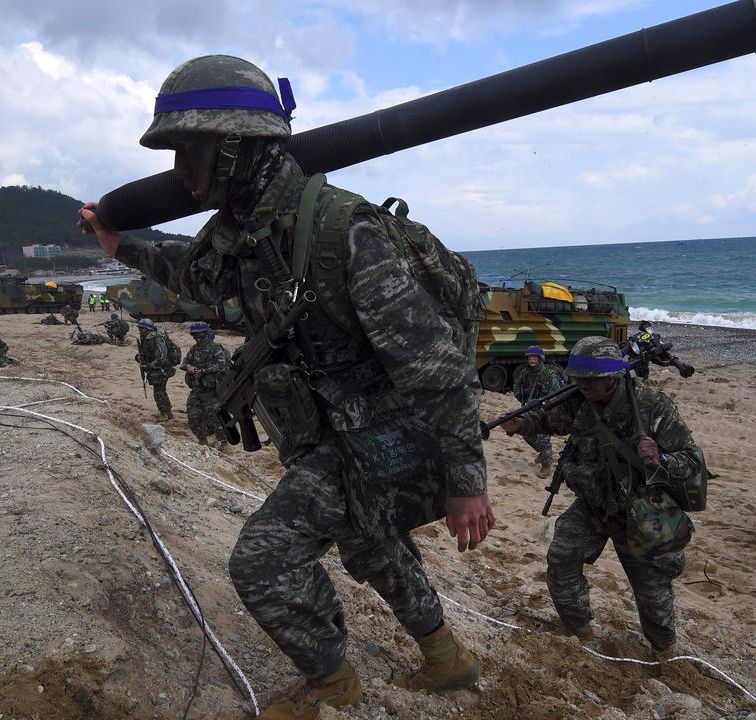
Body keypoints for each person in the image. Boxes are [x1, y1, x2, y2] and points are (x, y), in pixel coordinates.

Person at [78, 54, 493, 720]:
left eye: (190, 150)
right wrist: (117, 245)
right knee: (371, 540)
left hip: (397, 441)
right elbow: (194, 275)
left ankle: (333, 685)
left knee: (263, 562)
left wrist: (467, 482)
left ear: (236, 147)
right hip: (335, 437)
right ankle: (448, 661)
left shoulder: (342, 230)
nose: (179, 170)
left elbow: (435, 368)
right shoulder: (240, 234)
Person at [500, 336, 706, 658]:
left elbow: (692, 461)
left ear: (611, 379)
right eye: (577, 379)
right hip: (594, 505)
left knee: (652, 596)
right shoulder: (580, 399)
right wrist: (522, 422)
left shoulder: (652, 406)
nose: (581, 386)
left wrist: (660, 459)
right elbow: (551, 419)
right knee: (561, 557)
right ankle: (580, 630)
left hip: (640, 512)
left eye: (589, 381)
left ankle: (664, 650)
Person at [511, 345, 564, 478]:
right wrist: (518, 395)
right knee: (526, 434)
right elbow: (517, 384)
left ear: (540, 359)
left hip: (547, 412)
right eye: (529, 357)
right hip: (530, 410)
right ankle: (543, 452)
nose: (531, 360)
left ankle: (546, 466)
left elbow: (556, 396)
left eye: (534, 357)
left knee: (542, 439)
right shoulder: (525, 373)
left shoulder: (549, 376)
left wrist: (543, 406)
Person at [182, 322, 230, 447]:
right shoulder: (193, 349)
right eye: (195, 334)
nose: (197, 336)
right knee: (193, 415)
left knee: (215, 418)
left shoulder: (215, 348)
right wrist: (189, 367)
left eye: (200, 334)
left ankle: (224, 443)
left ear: (205, 334)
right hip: (197, 388)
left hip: (210, 390)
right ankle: (202, 440)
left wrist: (203, 371)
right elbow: (184, 363)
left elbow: (221, 365)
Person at [135, 318, 177, 420]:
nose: (140, 330)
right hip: (156, 369)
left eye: (142, 328)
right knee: (160, 391)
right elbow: (147, 353)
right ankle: (168, 413)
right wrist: (139, 357)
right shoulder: (146, 338)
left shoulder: (157, 338)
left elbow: (161, 357)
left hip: (161, 369)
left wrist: (150, 365)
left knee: (159, 392)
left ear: (147, 329)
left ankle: (165, 414)